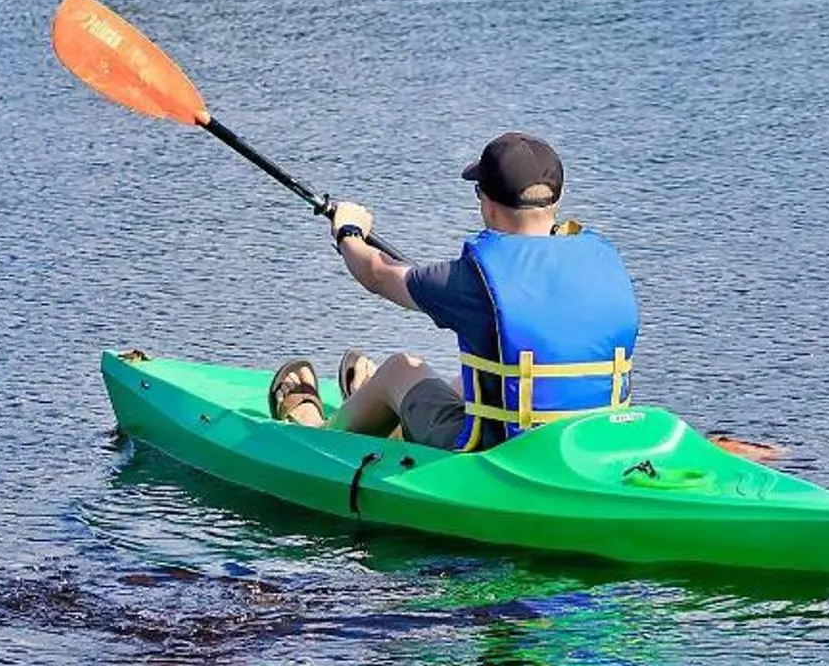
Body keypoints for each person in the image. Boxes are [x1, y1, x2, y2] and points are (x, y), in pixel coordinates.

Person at [268, 132, 638, 452]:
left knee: (401, 368)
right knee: (467, 382)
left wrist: (348, 230)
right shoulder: (603, 260)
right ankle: (383, 407)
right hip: (588, 445)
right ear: (556, 201)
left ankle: (318, 432)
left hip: (502, 453)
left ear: (488, 205)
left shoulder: (473, 278)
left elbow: (376, 273)